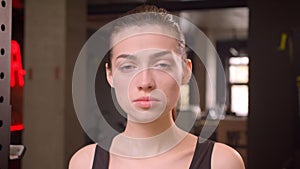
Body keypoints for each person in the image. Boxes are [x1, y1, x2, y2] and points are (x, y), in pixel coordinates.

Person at [69, 5, 245, 169]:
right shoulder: (84, 163)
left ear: (185, 71)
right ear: (110, 75)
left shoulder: (221, 162)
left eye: (161, 64)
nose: (145, 82)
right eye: (128, 66)